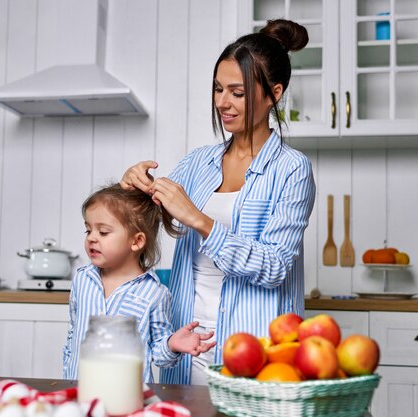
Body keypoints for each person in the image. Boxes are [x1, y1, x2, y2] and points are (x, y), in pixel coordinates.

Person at [120, 19, 316, 385]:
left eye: (237, 93)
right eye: (218, 89)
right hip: (186, 345)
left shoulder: (292, 170)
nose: (222, 103)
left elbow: (275, 267)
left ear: (274, 93)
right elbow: (143, 220)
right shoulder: (198, 163)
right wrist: (134, 187)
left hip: (255, 352)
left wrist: (200, 220)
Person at [62, 183, 215, 383]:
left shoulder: (154, 293)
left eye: (104, 232)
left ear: (136, 241)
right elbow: (73, 336)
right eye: (88, 230)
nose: (91, 238)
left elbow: (160, 356)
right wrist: (67, 378)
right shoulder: (82, 280)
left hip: (128, 401)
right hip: (80, 394)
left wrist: (172, 344)